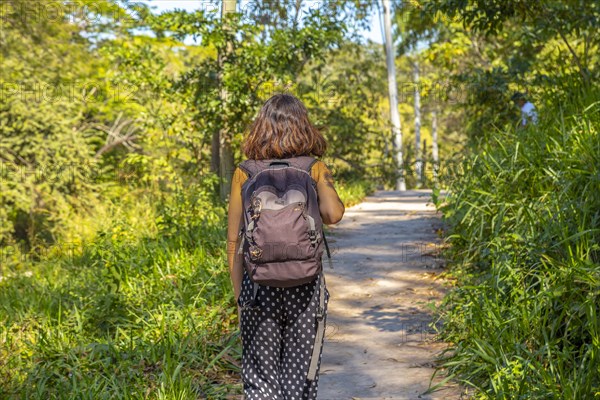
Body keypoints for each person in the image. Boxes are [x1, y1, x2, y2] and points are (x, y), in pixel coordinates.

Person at [226, 93, 345, 399]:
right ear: (304, 126)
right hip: (305, 286)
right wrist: (321, 179)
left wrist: (240, 297)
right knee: (299, 381)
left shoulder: (245, 171)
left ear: (260, 128)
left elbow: (234, 241)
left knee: (260, 381)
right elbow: (334, 215)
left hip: (258, 288)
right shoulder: (314, 168)